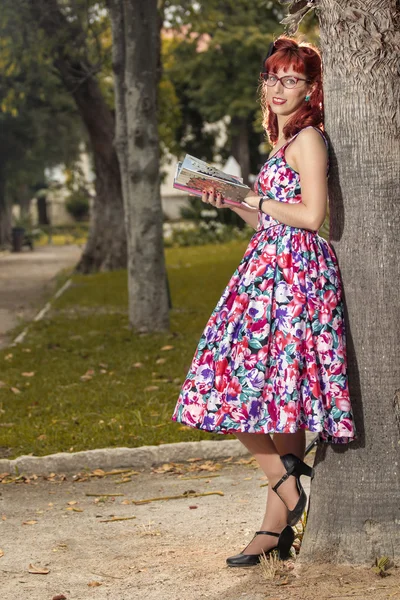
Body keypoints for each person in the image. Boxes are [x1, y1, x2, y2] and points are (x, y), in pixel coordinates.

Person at [172, 36, 356, 567]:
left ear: (312, 88)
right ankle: (278, 524)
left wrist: (253, 196)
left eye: (290, 79)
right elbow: (268, 217)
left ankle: (285, 483)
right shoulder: (279, 143)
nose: (277, 88)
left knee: (231, 379)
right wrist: (232, 201)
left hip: (296, 275)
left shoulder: (308, 142)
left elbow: (313, 216)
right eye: (272, 77)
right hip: (266, 269)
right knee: (275, 396)